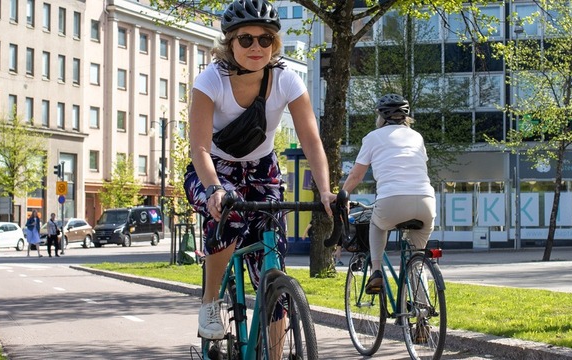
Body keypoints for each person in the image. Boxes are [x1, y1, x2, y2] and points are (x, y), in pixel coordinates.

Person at [185, 0, 336, 341]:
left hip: (262, 170)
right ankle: (211, 301)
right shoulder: (211, 80)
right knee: (229, 216)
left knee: (272, 260)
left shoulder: (286, 79)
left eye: (265, 39)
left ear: (274, 44)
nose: (256, 47)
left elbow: (312, 142)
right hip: (212, 168)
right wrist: (214, 189)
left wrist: (325, 191)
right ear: (230, 43)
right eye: (246, 39)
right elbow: (199, 148)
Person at [341, 94, 436, 295]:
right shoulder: (417, 136)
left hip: (392, 199)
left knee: (377, 225)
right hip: (426, 200)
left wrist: (342, 195)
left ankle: (376, 272)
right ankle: (422, 314)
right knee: (416, 259)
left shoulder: (372, 137)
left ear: (381, 117)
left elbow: (356, 174)